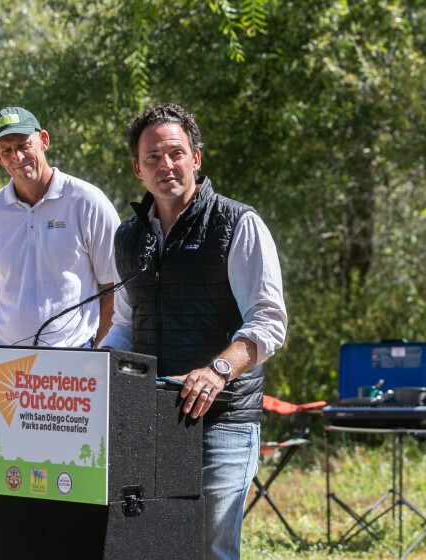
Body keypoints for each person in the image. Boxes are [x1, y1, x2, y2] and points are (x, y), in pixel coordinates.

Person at [99, 103, 287, 559]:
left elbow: (269, 321)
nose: (166, 165)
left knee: (208, 548)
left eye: (176, 153)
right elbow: (126, 324)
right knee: (151, 546)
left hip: (223, 417)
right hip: (148, 418)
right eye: (153, 158)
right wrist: (94, 366)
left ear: (196, 158)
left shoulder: (237, 224)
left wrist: (218, 370)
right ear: (137, 169)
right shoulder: (127, 238)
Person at [0, 106, 120, 347]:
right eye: (7, 150)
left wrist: (97, 353)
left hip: (74, 357)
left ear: (43, 140)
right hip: (4, 362)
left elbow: (115, 288)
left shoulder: (87, 201)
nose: (17, 157)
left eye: (23, 145)